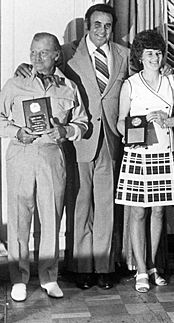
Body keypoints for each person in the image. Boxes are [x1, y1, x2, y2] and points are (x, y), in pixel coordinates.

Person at [15, 3, 130, 290]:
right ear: (87, 26)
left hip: (110, 138)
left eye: (107, 25)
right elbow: (41, 65)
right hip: (77, 140)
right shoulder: (66, 52)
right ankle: (80, 267)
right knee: (80, 203)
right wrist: (25, 68)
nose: (102, 30)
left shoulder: (123, 55)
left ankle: (103, 266)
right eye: (97, 24)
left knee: (105, 204)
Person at [0, 32, 88, 302]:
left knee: (51, 217)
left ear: (56, 55)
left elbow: (83, 124)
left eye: (43, 52)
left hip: (52, 155)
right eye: (33, 52)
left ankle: (49, 278)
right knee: (19, 218)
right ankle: (19, 279)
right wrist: (16, 132)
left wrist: (66, 129)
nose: (37, 58)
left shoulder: (68, 87)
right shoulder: (15, 83)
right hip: (22, 154)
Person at [115, 30, 174, 293]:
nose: (155, 58)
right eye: (149, 54)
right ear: (140, 57)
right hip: (138, 154)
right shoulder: (130, 84)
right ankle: (141, 269)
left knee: (158, 211)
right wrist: (131, 132)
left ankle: (154, 265)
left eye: (158, 53)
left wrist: (165, 119)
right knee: (139, 211)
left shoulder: (173, 82)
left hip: (164, 153)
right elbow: (121, 120)